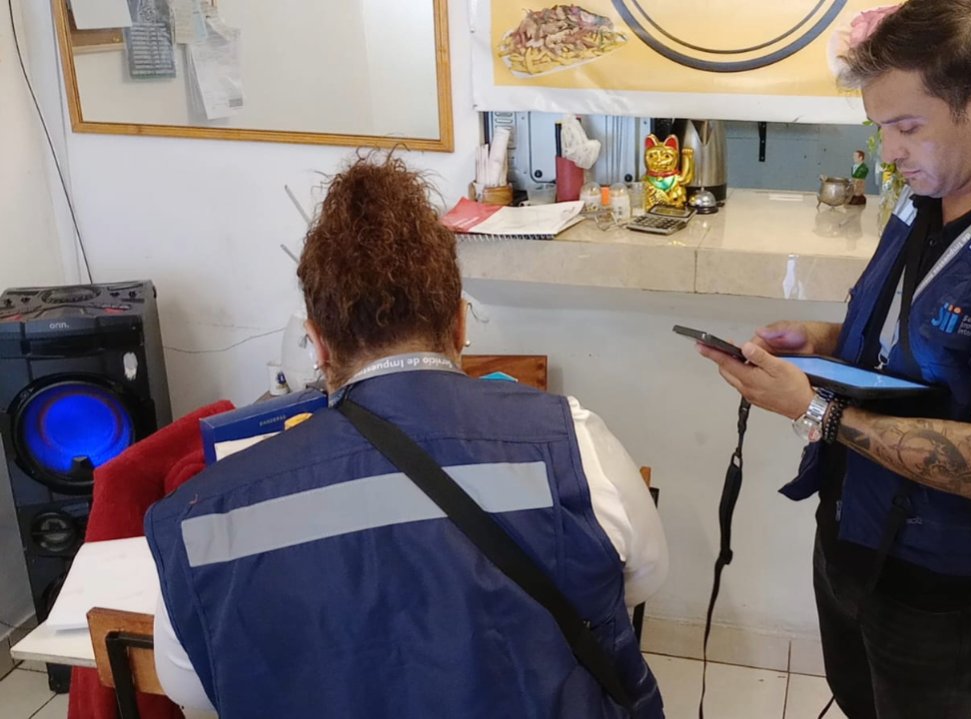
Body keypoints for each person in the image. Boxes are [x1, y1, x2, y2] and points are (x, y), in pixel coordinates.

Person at [696, 2, 971, 718]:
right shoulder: (927, 196)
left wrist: (814, 408)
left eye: (908, 127)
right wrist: (821, 341)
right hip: (853, 524)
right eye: (880, 129)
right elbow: (916, 341)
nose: (891, 151)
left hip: (941, 585)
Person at [145, 154, 668, 718]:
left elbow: (189, 689)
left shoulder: (202, 521)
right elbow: (643, 578)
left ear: (316, 345)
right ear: (460, 324)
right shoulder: (572, 445)